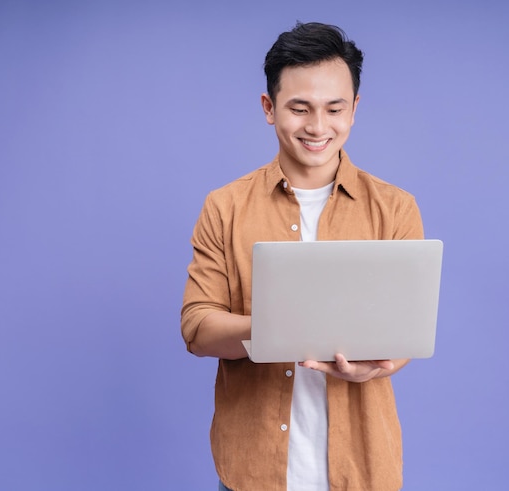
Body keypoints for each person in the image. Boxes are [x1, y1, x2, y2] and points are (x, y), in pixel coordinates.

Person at [181, 22, 424, 491]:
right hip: (251, 471)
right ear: (269, 109)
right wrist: (279, 327)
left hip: (364, 468)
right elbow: (197, 328)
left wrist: (382, 364)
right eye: (300, 108)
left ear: (354, 110)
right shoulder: (225, 207)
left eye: (334, 108)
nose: (318, 127)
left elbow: (404, 335)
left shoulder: (396, 208)